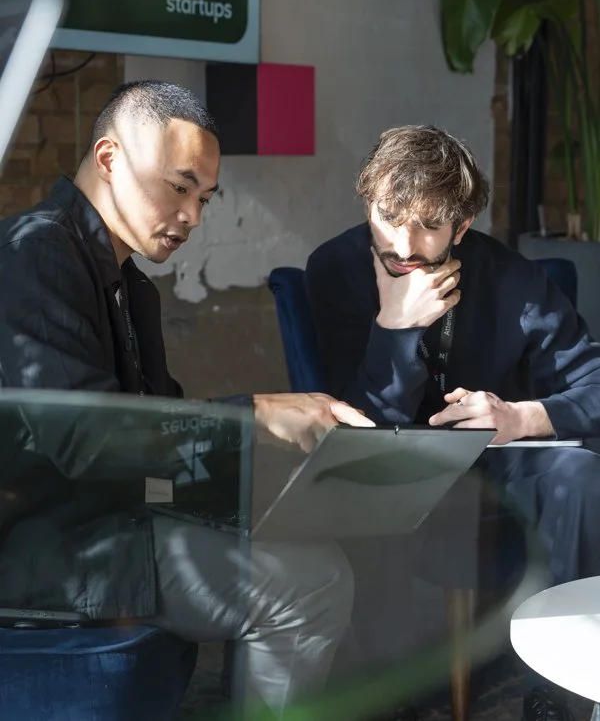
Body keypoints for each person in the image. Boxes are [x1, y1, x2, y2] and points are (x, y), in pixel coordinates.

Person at [0, 80, 373, 717]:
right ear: (111, 158)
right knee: (310, 586)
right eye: (179, 188)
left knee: (317, 550)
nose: (194, 218)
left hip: (107, 520)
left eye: (204, 198)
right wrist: (256, 414)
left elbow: (161, 443)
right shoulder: (35, 252)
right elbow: (89, 439)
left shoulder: (127, 285)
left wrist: (274, 486)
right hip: (48, 547)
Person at [306, 125, 600, 721]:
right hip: (381, 462)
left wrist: (520, 416)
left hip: (493, 463)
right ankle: (387, 693)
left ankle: (561, 696)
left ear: (461, 228)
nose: (404, 243)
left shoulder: (512, 279)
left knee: (578, 473)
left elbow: (594, 382)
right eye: (388, 216)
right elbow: (354, 425)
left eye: (429, 225)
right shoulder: (335, 269)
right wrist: (393, 326)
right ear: (368, 202)